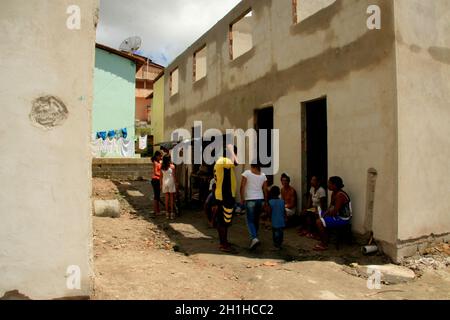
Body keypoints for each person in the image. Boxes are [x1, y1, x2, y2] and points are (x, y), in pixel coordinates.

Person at [313, 176, 352, 251]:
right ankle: (323, 235)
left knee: (319, 222)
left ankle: (324, 244)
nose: (327, 185)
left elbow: (335, 212)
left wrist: (325, 215)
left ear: (334, 185)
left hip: (342, 218)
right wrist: (324, 214)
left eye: (329, 183)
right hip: (337, 215)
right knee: (317, 213)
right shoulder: (334, 193)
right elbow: (330, 207)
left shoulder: (340, 195)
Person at [212, 144, 238, 253]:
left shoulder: (221, 162)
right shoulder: (223, 161)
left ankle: (224, 242)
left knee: (223, 221)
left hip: (223, 195)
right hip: (225, 196)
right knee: (224, 222)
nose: (235, 155)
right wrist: (232, 150)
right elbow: (236, 162)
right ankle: (223, 244)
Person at [240, 163, 269, 250]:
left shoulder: (247, 173)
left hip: (250, 199)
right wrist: (266, 202)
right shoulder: (263, 175)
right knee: (256, 219)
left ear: (252, 166)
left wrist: (242, 198)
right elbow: (265, 190)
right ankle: (255, 237)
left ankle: (254, 238)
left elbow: (242, 186)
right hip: (260, 199)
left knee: (250, 220)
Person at [160, 154, 177, 220]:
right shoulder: (172, 166)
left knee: (166, 199)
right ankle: (172, 213)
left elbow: (161, 177)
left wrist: (161, 184)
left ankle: (167, 213)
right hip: (171, 182)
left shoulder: (162, 167)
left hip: (165, 182)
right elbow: (174, 176)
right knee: (172, 199)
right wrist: (176, 183)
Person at [151, 151, 163, 216]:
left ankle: (157, 210)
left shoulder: (159, 162)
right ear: (156, 156)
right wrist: (161, 175)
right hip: (155, 180)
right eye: (160, 156)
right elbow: (155, 172)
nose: (161, 157)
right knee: (156, 196)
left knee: (157, 196)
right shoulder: (155, 163)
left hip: (157, 180)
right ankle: (156, 210)